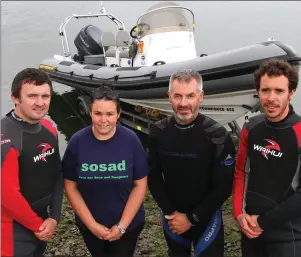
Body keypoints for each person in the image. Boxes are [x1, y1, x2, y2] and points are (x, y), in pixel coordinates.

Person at [147, 69, 236, 257]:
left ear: (200, 97)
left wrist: (192, 218)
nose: (183, 103)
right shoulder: (158, 132)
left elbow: (224, 186)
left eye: (190, 96)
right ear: (169, 97)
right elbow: (153, 176)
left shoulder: (217, 135)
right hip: (172, 215)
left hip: (206, 218)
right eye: (177, 96)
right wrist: (171, 212)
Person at [62, 85, 149, 257]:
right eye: (98, 113)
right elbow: (70, 186)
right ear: (90, 112)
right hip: (89, 225)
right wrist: (92, 225)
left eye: (109, 114)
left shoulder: (131, 140)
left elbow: (140, 184)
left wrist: (122, 226)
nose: (103, 120)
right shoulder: (77, 141)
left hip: (127, 225)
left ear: (118, 114)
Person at [232, 59, 301, 257]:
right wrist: (239, 214)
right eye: (265, 90)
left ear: (291, 93)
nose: (271, 98)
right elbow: (240, 172)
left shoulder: (300, 132)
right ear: (258, 91)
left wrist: (263, 222)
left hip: (288, 236)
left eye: (279, 91)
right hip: (251, 229)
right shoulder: (251, 127)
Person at [1, 68, 63, 257]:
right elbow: (6, 194)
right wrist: (37, 225)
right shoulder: (7, 139)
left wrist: (54, 218)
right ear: (16, 98)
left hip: (44, 221)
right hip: (12, 230)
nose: (40, 103)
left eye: (45, 96)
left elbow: (58, 174)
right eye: (32, 96)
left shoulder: (49, 128)